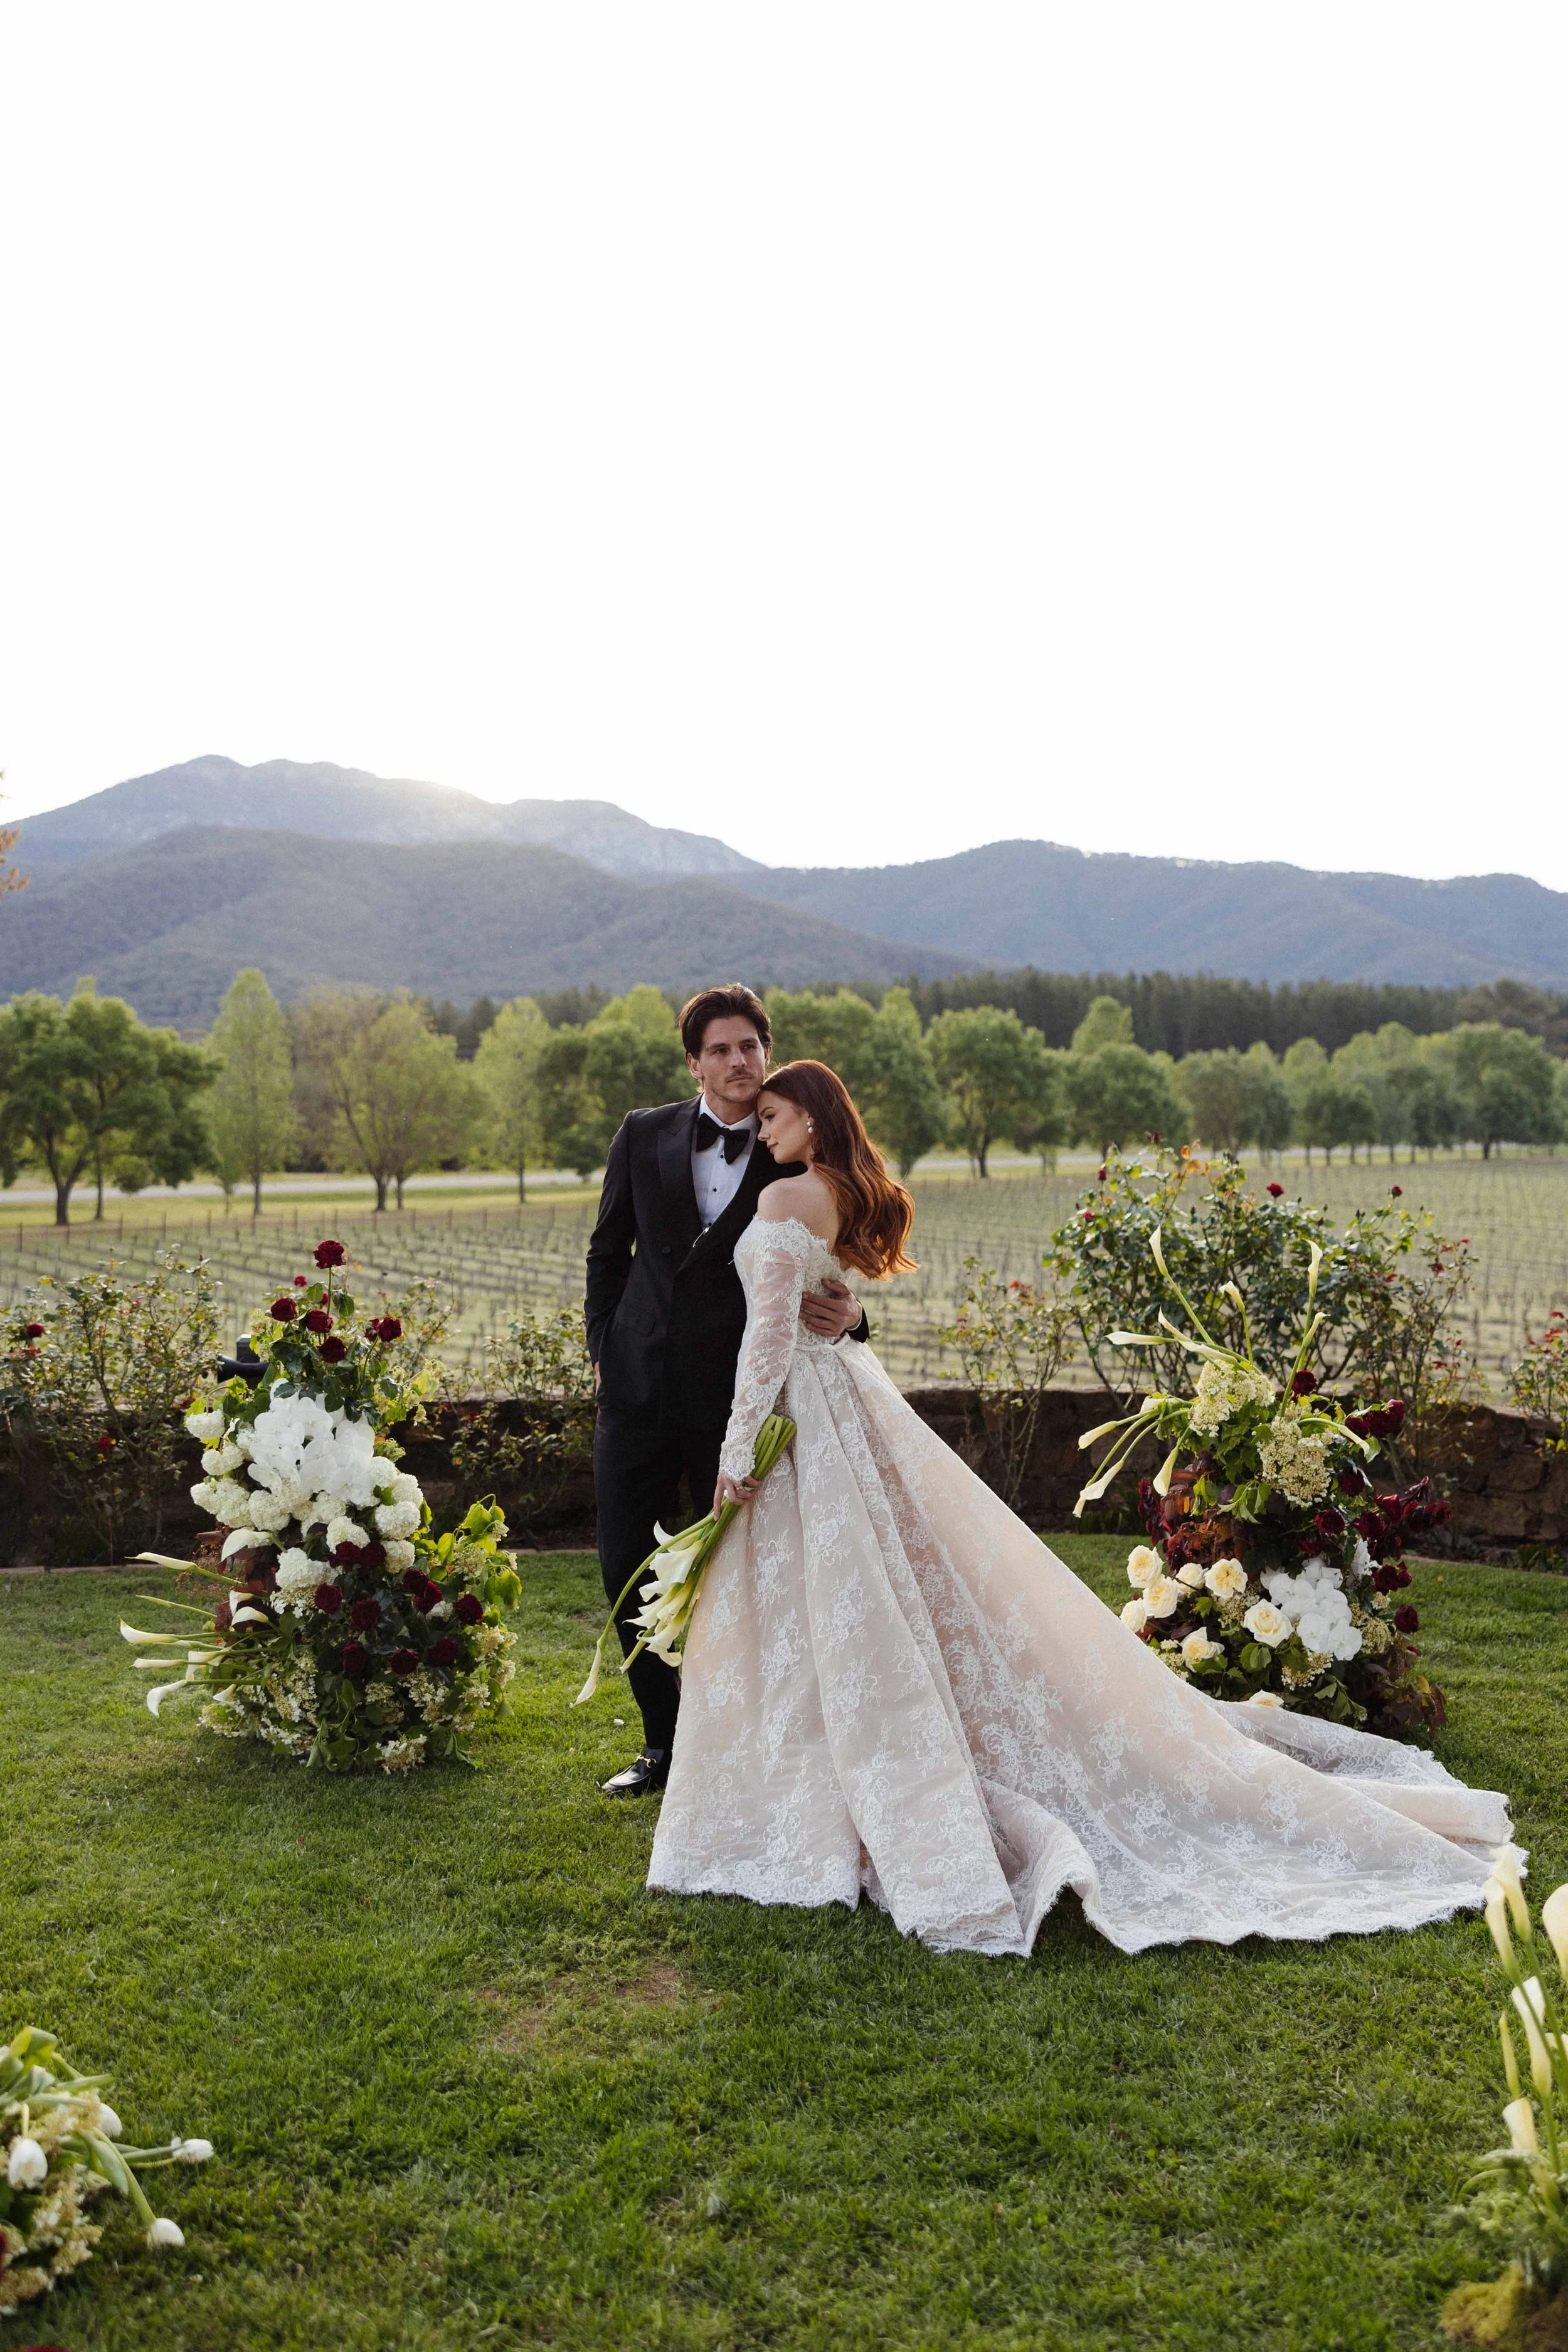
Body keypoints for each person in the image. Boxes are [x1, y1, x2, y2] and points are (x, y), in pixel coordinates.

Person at [647, 1059, 1513, 1957]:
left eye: (779, 1113)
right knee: (839, 1595)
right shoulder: (829, 1192)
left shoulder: (788, 1197)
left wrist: (737, 1449)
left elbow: (770, 1335)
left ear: (814, 1121)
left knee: (825, 1597)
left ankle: (803, 1795)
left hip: (802, 1406)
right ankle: (813, 1782)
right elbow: (815, 1306)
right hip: (839, 1399)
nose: (767, 1126)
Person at [585, 985, 868, 1797]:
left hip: (741, 1399)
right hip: (635, 1387)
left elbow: (831, 1264)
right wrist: (603, 1347)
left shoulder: (797, 1153)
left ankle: (742, 1741)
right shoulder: (643, 1134)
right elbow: (607, 1251)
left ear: (767, 1052)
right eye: (721, 1049)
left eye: (751, 1045)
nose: (739, 1061)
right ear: (693, 1061)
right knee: (623, 1565)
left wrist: (854, 1316)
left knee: (746, 1578)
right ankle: (662, 1743)